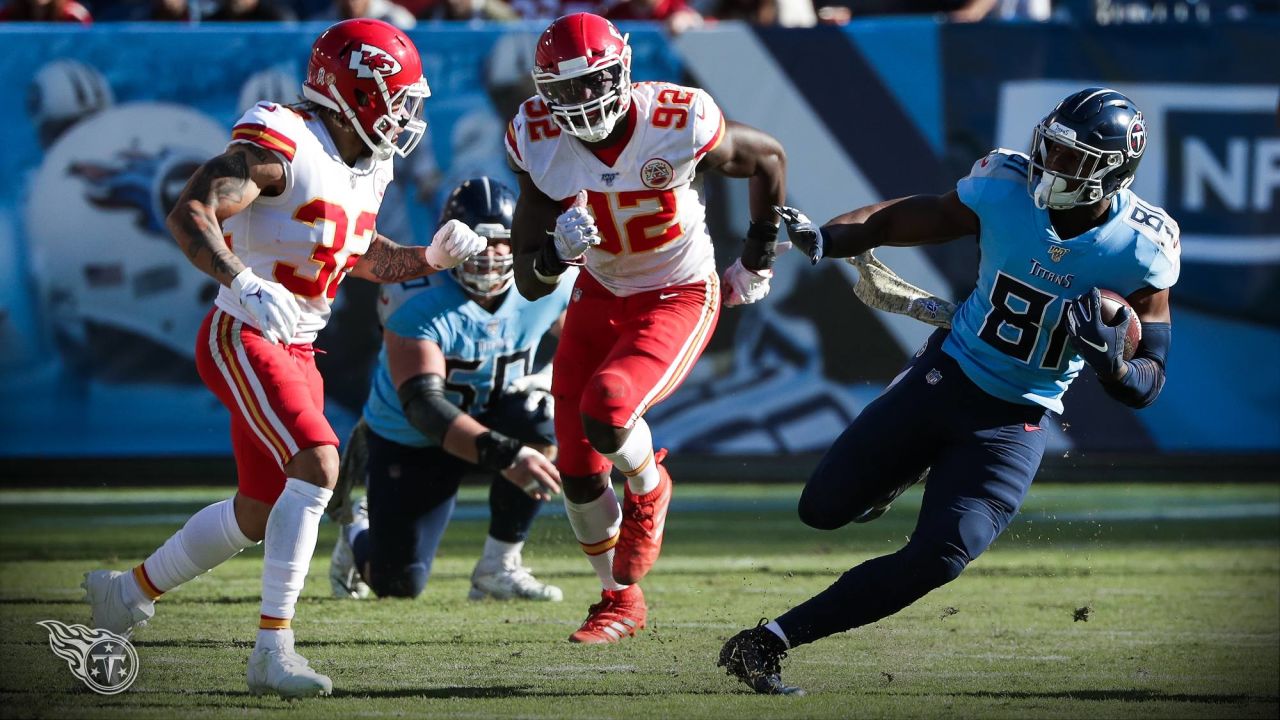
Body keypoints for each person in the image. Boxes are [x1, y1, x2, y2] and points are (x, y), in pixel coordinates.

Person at [719, 87, 1179, 694]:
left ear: (1109, 173)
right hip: (948, 373)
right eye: (1048, 146)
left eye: (1069, 159)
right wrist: (831, 238)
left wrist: (1113, 367)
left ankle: (769, 641)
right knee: (822, 510)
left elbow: (1149, 380)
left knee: (942, 555)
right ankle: (902, 472)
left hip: (1016, 418)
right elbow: (918, 217)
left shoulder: (1143, 247)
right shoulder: (1004, 186)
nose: (1047, 163)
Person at [81, 19, 486, 699]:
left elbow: (354, 250)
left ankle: (125, 595)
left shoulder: (371, 162)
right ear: (355, 92)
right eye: (397, 96)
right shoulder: (283, 142)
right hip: (242, 332)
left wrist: (428, 258)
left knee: (258, 510)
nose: (408, 113)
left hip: (297, 344)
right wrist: (241, 278)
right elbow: (192, 211)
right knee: (319, 462)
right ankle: (273, 649)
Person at [508, 12, 788, 644]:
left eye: (593, 84)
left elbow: (768, 156)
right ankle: (619, 600)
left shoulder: (676, 118)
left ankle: (649, 484)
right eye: (564, 91)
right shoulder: (536, 136)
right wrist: (555, 252)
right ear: (542, 91)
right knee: (578, 471)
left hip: (679, 291)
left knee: (607, 409)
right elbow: (530, 280)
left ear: (623, 70)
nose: (581, 103)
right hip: (600, 290)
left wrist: (758, 257)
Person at [328, 177, 567, 603]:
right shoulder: (415, 296)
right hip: (412, 436)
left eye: (500, 242)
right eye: (475, 241)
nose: (488, 255)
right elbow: (424, 407)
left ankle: (499, 566)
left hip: (492, 411)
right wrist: (507, 454)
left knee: (542, 415)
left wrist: (552, 379)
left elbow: (585, 347)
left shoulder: (548, 286)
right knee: (399, 583)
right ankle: (358, 533)